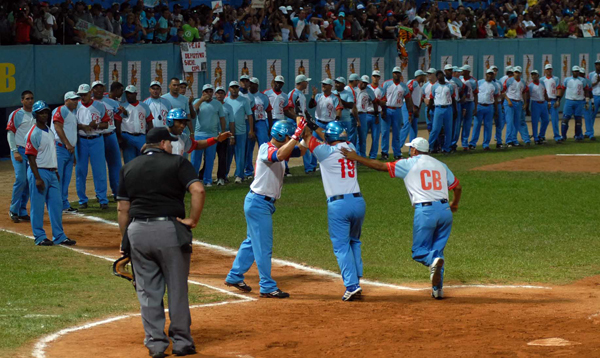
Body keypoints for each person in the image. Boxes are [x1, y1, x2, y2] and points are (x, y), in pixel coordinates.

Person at [117, 127, 206, 358]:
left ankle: (156, 344)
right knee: (177, 288)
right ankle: (181, 343)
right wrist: (193, 220)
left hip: (137, 231)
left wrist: (125, 240)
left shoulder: (128, 167)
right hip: (169, 230)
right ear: (164, 143)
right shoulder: (177, 163)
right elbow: (198, 190)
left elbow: (122, 208)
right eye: (171, 142)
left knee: (147, 291)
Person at [341, 137, 462, 299]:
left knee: (420, 252)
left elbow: (381, 166)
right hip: (445, 211)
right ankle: (437, 290)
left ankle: (433, 263)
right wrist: (454, 204)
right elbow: (457, 186)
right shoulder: (441, 165)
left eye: (411, 148)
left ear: (415, 150)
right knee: (437, 252)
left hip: (426, 212)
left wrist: (357, 158)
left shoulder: (409, 163)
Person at [224, 119, 307, 298]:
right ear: (282, 135)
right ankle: (267, 286)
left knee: (252, 243)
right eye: (288, 136)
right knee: (263, 246)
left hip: (261, 203)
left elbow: (300, 151)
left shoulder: (282, 149)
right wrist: (296, 135)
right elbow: (278, 156)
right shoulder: (265, 148)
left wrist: (305, 134)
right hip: (258, 203)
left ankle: (234, 276)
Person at [303, 122, 366, 301]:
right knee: (354, 241)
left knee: (341, 246)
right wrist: (315, 126)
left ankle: (352, 285)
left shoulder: (324, 152)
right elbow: (329, 137)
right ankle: (357, 277)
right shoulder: (350, 147)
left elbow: (307, 136)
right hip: (358, 202)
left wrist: (303, 121)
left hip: (339, 205)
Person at [26, 100, 76, 247]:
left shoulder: (49, 130)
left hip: (52, 173)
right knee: (38, 206)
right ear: (36, 115)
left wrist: (55, 170)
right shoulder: (33, 133)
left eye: (46, 112)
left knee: (56, 204)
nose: (45, 115)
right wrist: (37, 178)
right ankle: (39, 236)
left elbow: (51, 153)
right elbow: (30, 157)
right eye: (41, 113)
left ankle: (59, 236)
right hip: (39, 172)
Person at [75, 84, 110, 210]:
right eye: (81, 95)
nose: (83, 97)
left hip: (96, 140)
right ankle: (82, 200)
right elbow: (72, 124)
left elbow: (106, 124)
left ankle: (102, 199)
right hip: (82, 140)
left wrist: (97, 126)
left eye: (85, 94)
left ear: (90, 93)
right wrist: (83, 127)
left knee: (99, 171)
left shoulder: (99, 105)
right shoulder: (76, 106)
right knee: (80, 171)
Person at [7, 90, 34, 223]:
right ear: (22, 100)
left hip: (31, 152)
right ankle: (13, 209)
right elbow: (10, 133)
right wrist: (14, 150)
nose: (30, 101)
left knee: (29, 181)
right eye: (27, 99)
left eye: (31, 98)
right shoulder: (16, 114)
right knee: (21, 179)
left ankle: (22, 210)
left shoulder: (36, 113)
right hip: (19, 150)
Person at [191, 84, 226, 186]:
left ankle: (207, 180)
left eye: (210, 91)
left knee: (210, 158)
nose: (208, 93)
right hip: (199, 134)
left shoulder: (217, 104)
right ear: (203, 93)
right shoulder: (197, 102)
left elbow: (222, 118)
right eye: (206, 91)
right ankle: (194, 179)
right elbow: (193, 112)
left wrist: (222, 131)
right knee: (195, 158)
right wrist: (201, 100)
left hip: (212, 135)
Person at [92, 81, 122, 200]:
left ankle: (117, 192)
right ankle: (100, 194)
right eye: (96, 88)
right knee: (99, 168)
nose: (99, 90)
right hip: (97, 136)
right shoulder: (89, 103)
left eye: (101, 88)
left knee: (115, 165)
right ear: (92, 90)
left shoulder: (112, 102)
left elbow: (121, 116)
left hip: (110, 135)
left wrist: (123, 112)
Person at [51, 91, 80, 213]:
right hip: (60, 148)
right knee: (58, 178)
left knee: (66, 179)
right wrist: (68, 144)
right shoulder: (60, 110)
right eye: (73, 99)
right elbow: (58, 127)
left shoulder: (72, 113)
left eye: (76, 99)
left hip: (69, 150)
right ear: (66, 100)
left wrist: (72, 151)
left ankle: (63, 204)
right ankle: (54, 204)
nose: (75, 101)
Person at [162, 108, 231, 156]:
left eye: (184, 123)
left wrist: (215, 139)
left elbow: (196, 145)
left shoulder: (183, 137)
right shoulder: (159, 137)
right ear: (170, 121)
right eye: (179, 122)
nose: (183, 126)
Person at [284, 75, 316, 173]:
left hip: (301, 122)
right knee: (288, 144)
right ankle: (285, 168)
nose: (307, 83)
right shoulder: (292, 93)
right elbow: (289, 110)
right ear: (301, 82)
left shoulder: (301, 94)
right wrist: (298, 120)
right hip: (293, 122)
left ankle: (309, 168)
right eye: (306, 81)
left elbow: (304, 110)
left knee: (305, 143)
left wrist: (309, 121)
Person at [380, 67, 413, 160]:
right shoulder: (386, 84)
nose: (396, 74)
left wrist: (410, 113)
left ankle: (397, 152)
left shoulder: (403, 86)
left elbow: (408, 100)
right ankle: (384, 152)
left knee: (396, 132)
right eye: (395, 73)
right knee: (385, 132)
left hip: (398, 109)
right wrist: (382, 110)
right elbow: (381, 97)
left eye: (398, 73)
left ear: (400, 74)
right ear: (392, 74)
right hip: (387, 108)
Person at [244, 77, 273, 179]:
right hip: (248, 122)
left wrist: (270, 127)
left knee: (264, 146)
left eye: (252, 84)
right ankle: (248, 171)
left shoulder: (263, 97)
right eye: (249, 83)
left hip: (260, 122)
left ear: (257, 85)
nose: (250, 85)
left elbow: (269, 111)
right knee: (248, 147)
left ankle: (265, 169)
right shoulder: (245, 96)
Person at [117, 85, 154, 163]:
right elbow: (118, 123)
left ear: (136, 94)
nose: (128, 95)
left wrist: (150, 137)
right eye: (127, 93)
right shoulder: (122, 106)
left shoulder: (144, 106)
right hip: (127, 136)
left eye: (130, 93)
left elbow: (149, 122)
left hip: (141, 136)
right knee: (129, 162)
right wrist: (119, 137)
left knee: (143, 161)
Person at [225, 81, 253, 183]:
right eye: (232, 87)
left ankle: (239, 175)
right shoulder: (226, 100)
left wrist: (251, 130)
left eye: (236, 87)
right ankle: (225, 175)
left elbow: (249, 115)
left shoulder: (244, 100)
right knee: (228, 154)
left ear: (238, 89)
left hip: (241, 131)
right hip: (228, 131)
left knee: (240, 154)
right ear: (229, 89)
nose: (234, 89)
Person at [469, 69, 498, 151]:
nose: (490, 76)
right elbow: (474, 94)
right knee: (476, 125)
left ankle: (486, 144)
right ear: (486, 74)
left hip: (489, 106)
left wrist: (496, 110)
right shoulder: (479, 82)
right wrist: (474, 107)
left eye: (492, 74)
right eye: (489, 74)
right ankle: (472, 143)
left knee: (488, 126)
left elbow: (495, 98)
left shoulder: (494, 85)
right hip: (479, 105)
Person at [428, 71, 457, 154]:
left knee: (448, 129)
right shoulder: (434, 87)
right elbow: (431, 99)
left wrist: (455, 110)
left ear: (443, 76)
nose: (440, 76)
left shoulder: (449, 86)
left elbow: (453, 98)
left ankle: (446, 148)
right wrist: (428, 111)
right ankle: (429, 147)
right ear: (437, 77)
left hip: (448, 108)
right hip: (438, 108)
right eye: (438, 75)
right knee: (435, 129)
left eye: (441, 74)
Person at [503, 66, 528, 147]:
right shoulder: (509, 80)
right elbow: (503, 91)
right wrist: (508, 100)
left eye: (518, 72)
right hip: (510, 102)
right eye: (515, 72)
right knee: (510, 122)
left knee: (517, 122)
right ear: (513, 72)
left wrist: (524, 102)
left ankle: (514, 140)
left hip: (518, 102)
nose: (517, 74)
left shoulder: (523, 82)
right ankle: (508, 140)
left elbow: (524, 92)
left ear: (520, 73)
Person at [561, 66, 587, 142]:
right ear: (572, 72)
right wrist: (558, 99)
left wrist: (587, 100)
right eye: (575, 71)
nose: (576, 72)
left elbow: (586, 90)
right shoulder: (567, 80)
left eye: (577, 71)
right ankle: (563, 135)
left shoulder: (582, 80)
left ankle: (578, 136)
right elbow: (563, 89)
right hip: (569, 100)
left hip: (579, 101)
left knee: (578, 120)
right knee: (565, 119)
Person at [215, 87, 234, 185]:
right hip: (212, 134)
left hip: (223, 135)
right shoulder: (212, 105)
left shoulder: (228, 107)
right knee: (209, 157)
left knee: (223, 157)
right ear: (215, 94)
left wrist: (231, 136)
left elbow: (231, 122)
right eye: (218, 93)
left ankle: (221, 178)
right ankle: (204, 177)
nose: (220, 95)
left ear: (224, 95)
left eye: (222, 93)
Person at [356, 75, 379, 157]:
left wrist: (376, 115)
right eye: (363, 82)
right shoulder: (354, 89)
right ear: (359, 81)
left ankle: (362, 155)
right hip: (353, 114)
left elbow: (375, 102)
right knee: (354, 136)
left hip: (363, 114)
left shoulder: (369, 91)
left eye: (366, 83)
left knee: (362, 136)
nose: (364, 84)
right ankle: (356, 154)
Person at [527, 70, 551, 145]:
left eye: (535, 74)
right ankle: (536, 138)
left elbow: (545, 92)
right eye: (532, 75)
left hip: (543, 103)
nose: (534, 76)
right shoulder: (530, 85)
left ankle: (541, 135)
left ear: (538, 75)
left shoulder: (542, 82)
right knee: (535, 122)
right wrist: (527, 107)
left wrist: (549, 101)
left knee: (546, 120)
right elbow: (527, 96)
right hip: (535, 103)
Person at [459, 65, 478, 151]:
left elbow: (475, 94)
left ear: (468, 71)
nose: (462, 72)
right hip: (460, 103)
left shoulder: (473, 81)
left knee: (467, 124)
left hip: (469, 102)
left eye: (463, 70)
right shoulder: (459, 79)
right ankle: (453, 144)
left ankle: (465, 143)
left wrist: (475, 107)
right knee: (457, 124)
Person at [404, 70, 426, 143]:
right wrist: (412, 107)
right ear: (419, 76)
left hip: (415, 109)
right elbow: (408, 94)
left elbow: (420, 100)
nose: (424, 77)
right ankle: (398, 147)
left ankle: (412, 148)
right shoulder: (413, 82)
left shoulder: (420, 86)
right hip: (408, 106)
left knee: (414, 129)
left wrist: (418, 110)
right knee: (407, 126)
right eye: (423, 76)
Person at [496, 66, 514, 148]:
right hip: (504, 102)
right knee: (505, 121)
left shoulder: (501, 79)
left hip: (502, 102)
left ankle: (497, 137)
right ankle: (507, 139)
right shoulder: (507, 79)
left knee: (502, 121)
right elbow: (503, 92)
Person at [587, 60, 600, 141]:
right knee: (592, 114)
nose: (598, 66)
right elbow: (588, 85)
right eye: (597, 65)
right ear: (595, 66)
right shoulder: (591, 74)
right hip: (595, 95)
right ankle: (589, 133)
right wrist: (597, 81)